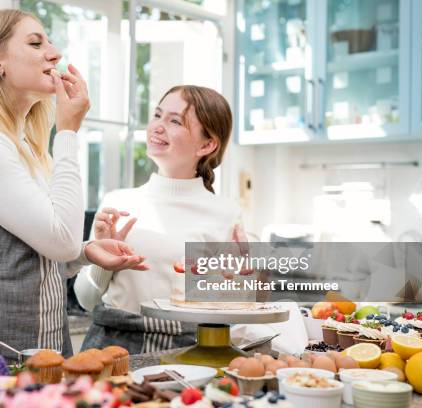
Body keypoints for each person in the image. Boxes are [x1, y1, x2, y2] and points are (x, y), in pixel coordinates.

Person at [0, 9, 145, 381]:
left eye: (50, 43)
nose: (54, 54)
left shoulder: (24, 146)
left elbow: (46, 248)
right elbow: (60, 240)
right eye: (36, 43)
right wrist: (68, 131)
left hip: (39, 357)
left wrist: (86, 253)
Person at [74, 85, 307, 354]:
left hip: (188, 356)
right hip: (112, 351)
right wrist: (101, 263)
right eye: (157, 115)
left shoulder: (225, 214)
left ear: (207, 144)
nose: (158, 127)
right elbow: (87, 300)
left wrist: (244, 280)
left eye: (174, 121)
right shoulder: (118, 204)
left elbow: (238, 309)